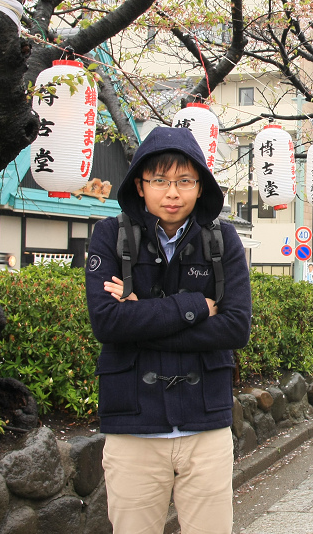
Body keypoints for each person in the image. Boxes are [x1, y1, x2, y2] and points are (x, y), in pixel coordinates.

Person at [85, 127, 252, 534]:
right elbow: (106, 321)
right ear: (140, 186)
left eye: (184, 181)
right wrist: (195, 307)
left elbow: (235, 327)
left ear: (200, 187)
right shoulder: (110, 236)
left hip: (206, 425)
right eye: (159, 180)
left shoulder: (222, 239)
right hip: (132, 425)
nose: (172, 192)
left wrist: (141, 318)